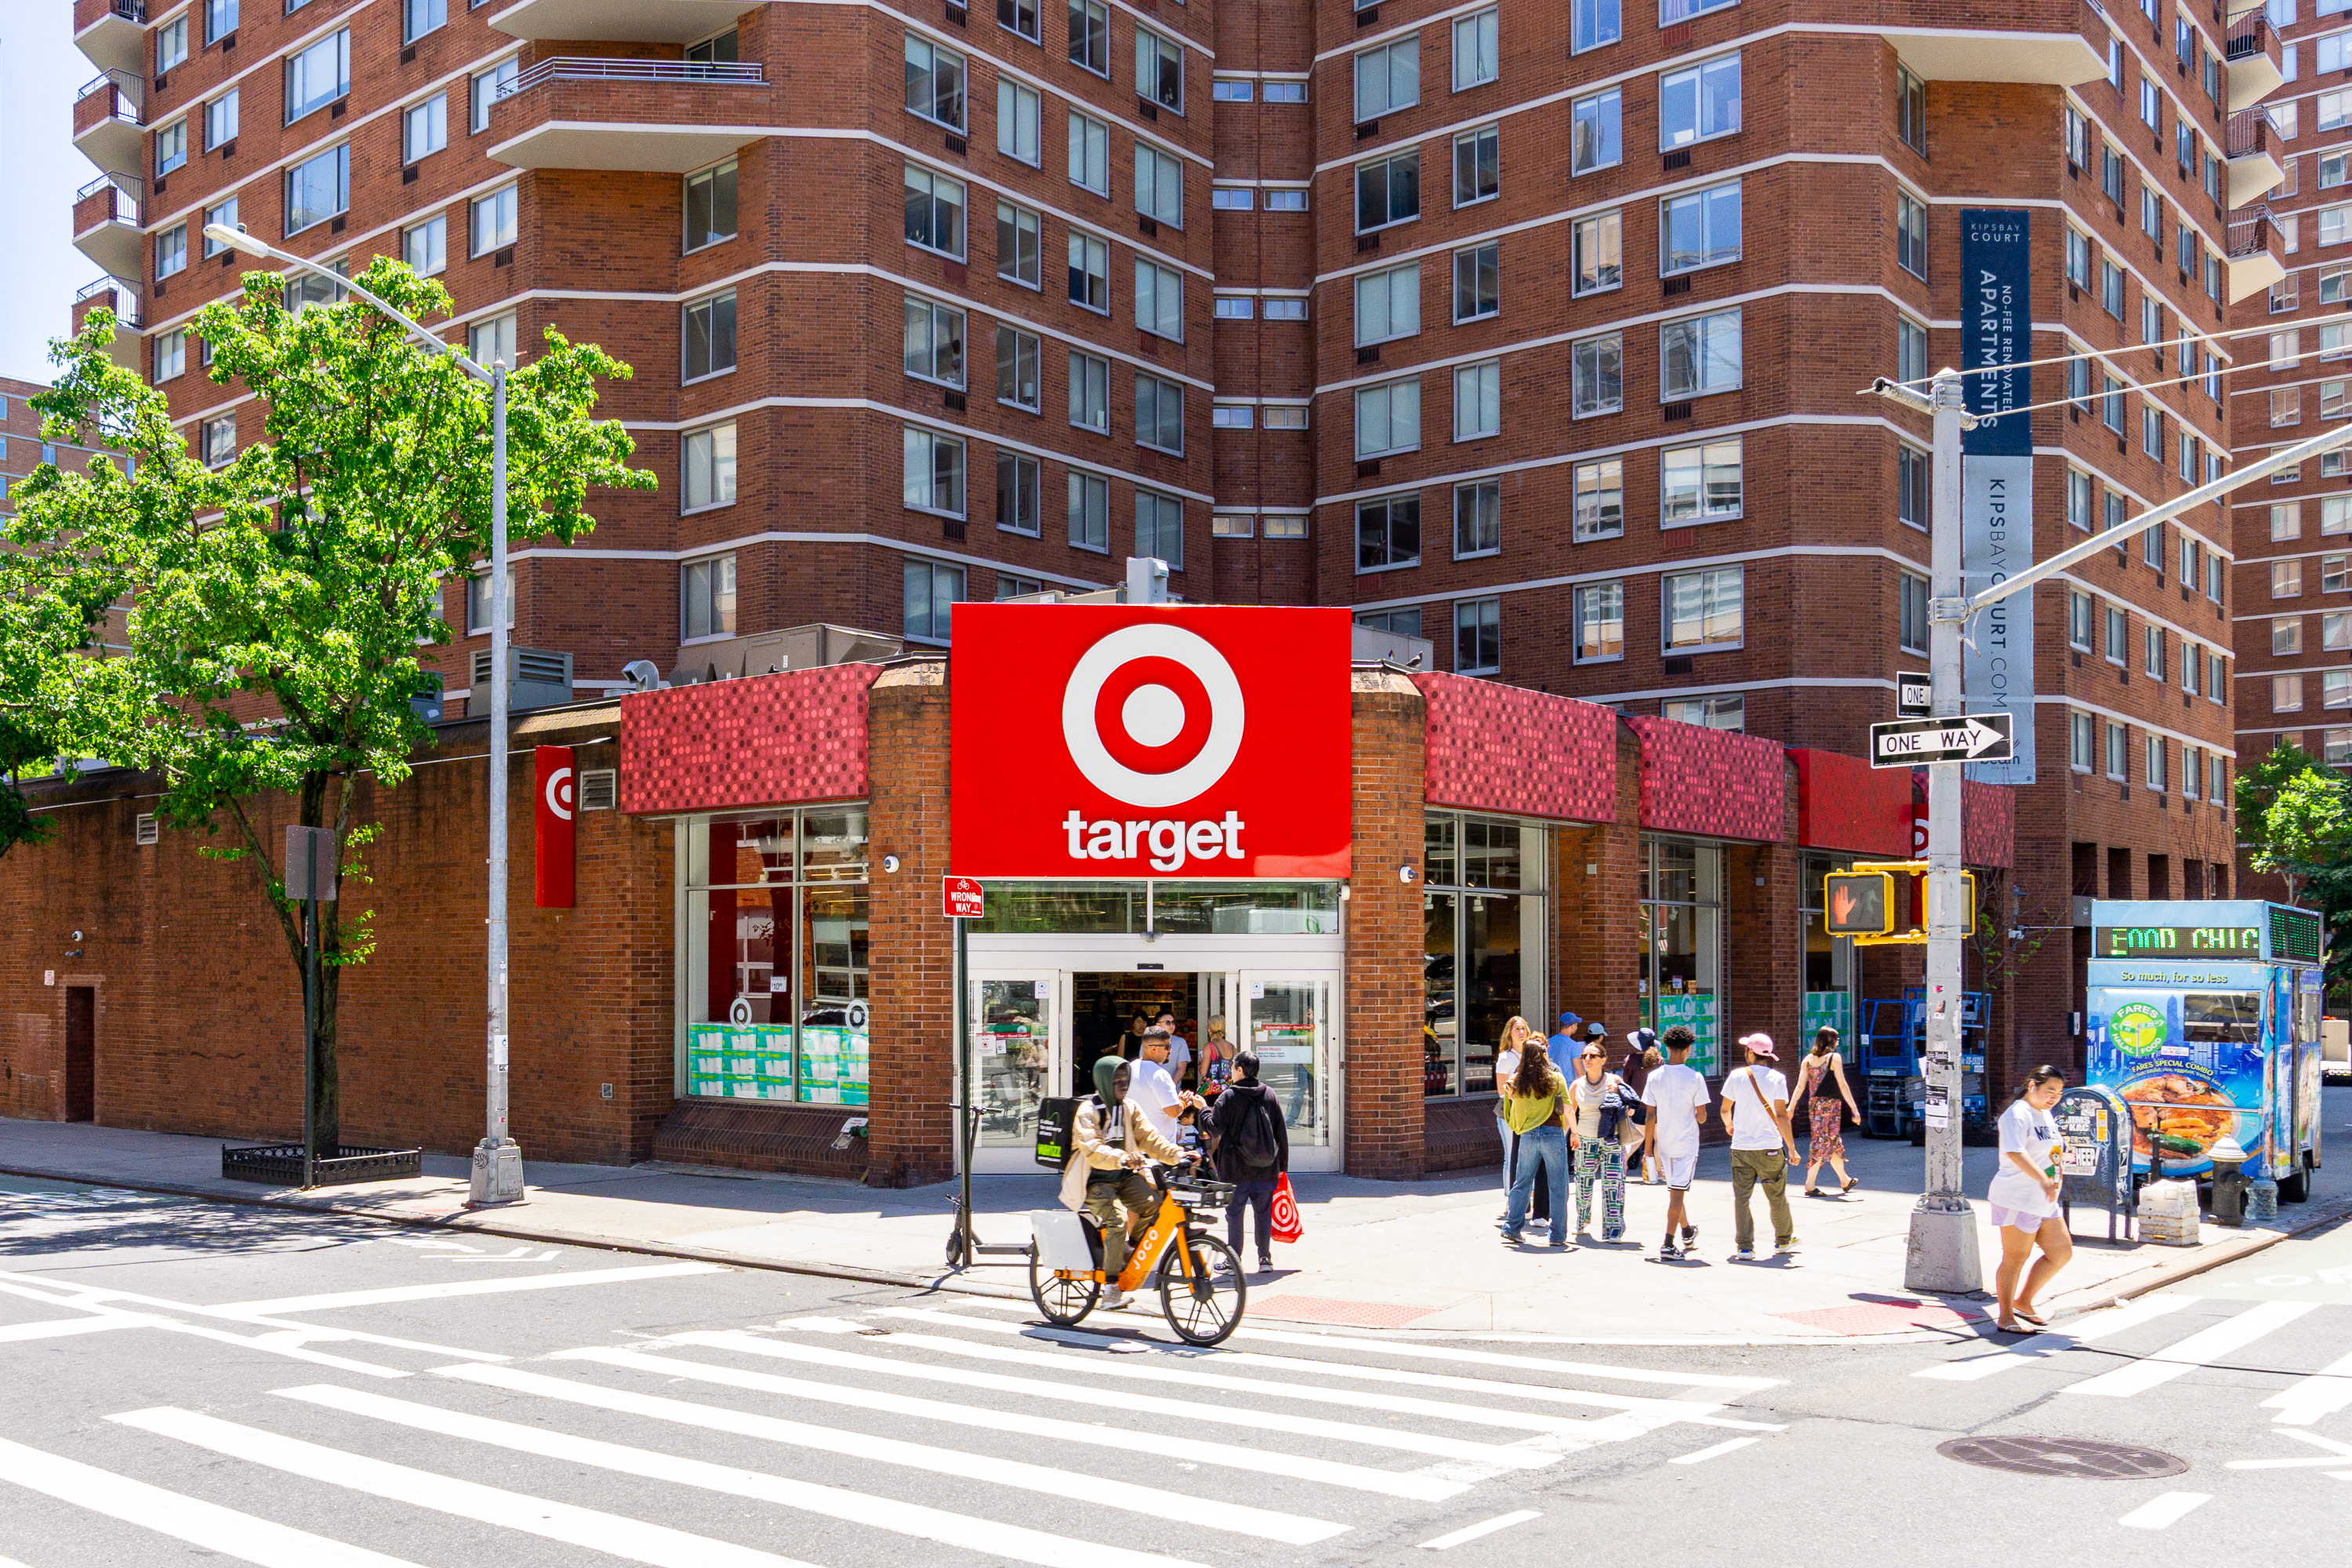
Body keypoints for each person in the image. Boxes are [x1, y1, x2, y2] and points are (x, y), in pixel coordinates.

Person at [1059, 1055, 1189, 1308]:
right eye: (1117, 1079)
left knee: (1153, 1205)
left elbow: (1150, 1139)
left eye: (1126, 1078)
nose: (1123, 1083)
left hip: (1125, 1176)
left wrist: (1178, 1154)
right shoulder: (1088, 1111)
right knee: (1117, 1221)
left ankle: (1127, 1248)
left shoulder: (1129, 1108)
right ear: (1105, 1081)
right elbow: (1092, 1148)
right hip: (1094, 1181)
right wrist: (1121, 1157)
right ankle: (1110, 1288)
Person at [1990, 1065, 2073, 1333]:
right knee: (2015, 1257)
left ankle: (2023, 1301)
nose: (2054, 1097)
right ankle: (2005, 1317)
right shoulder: (2017, 1114)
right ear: (2031, 1086)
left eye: (2059, 1092)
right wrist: (2043, 1179)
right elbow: (2015, 1152)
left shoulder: (2045, 1114)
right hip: (2018, 1196)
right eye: (2050, 1090)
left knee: (2061, 1253)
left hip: (2045, 1198)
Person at [1207, 1048, 1289, 1272]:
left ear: (1240, 1070)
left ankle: (1233, 1261)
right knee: (1263, 1213)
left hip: (1235, 1169)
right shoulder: (1270, 1094)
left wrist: (1203, 1110)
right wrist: (1282, 1165)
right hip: (1266, 1168)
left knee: (1234, 1214)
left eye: (1233, 1068)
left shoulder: (1229, 1096)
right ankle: (1265, 1259)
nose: (1231, 1072)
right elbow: (1281, 1132)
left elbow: (1214, 1128)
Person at [1721, 1033, 1800, 1261]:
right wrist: (1792, 1148)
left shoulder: (1736, 1076)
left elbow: (1726, 1109)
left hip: (1741, 1148)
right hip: (1770, 1147)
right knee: (1776, 1195)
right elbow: (1782, 1116)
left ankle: (1745, 1247)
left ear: (1750, 1053)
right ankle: (1783, 1240)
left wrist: (1730, 1125)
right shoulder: (1778, 1078)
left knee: (1742, 1198)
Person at [1640, 1026, 1711, 1258]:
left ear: (1667, 1048)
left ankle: (1687, 1231)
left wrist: (1648, 1149)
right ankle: (1668, 1244)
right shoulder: (1696, 1078)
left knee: (1674, 1193)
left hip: (1664, 1144)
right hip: (1687, 1143)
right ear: (1688, 1049)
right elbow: (1702, 1117)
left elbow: (1650, 1115)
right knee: (1677, 1194)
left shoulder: (1654, 1077)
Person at [1497, 1035, 1573, 1249]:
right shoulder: (1556, 1078)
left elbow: (1512, 1104)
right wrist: (1574, 1133)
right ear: (1540, 1055)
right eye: (1545, 1052)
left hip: (1528, 1135)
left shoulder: (1516, 1081)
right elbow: (1567, 1109)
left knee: (1521, 1183)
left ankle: (1512, 1228)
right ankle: (1557, 1235)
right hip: (1553, 1134)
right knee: (1558, 1186)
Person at [1565, 1041, 1633, 1243]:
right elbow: (1569, 1112)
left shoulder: (1615, 1080)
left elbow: (1630, 1109)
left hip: (1611, 1139)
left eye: (1593, 1056)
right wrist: (1570, 1134)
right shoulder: (1577, 1084)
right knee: (1583, 1183)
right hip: (1585, 1139)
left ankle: (1614, 1228)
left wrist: (1617, 1093)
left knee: (1613, 1183)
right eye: (1585, 1056)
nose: (1587, 1059)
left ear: (1603, 1060)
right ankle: (1582, 1219)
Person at [1795, 1026, 1862, 1196]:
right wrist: (1854, 1109)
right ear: (1830, 1041)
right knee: (1822, 1142)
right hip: (1831, 1107)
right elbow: (1842, 1085)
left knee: (1832, 1141)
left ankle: (1844, 1180)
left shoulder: (1807, 1060)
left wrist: (1792, 1105)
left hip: (1815, 1106)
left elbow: (1801, 1085)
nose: (1839, 1041)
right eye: (1837, 1038)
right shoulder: (1834, 1058)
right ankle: (1810, 1185)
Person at [1492, 1014, 1537, 1221]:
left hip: (1530, 1114)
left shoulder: (1532, 1056)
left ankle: (1529, 1198)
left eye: (1523, 1028)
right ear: (1509, 1034)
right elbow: (1501, 1091)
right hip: (1509, 1114)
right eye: (1516, 1029)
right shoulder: (1505, 1057)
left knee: (1529, 1157)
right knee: (1512, 1156)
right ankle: (1510, 1200)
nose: (1521, 1032)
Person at [1131, 1027, 1204, 1154]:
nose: (1170, 1050)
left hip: (1137, 1149)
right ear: (1153, 1049)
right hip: (1160, 1150)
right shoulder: (1160, 1075)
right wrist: (1183, 1102)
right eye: (1167, 1046)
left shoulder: (1129, 1068)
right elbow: (1174, 1112)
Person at [1623, 1029, 1662, 1184]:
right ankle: (1658, 1170)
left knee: (1637, 1138)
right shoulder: (1660, 1061)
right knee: (1658, 1140)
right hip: (1656, 1106)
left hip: (1637, 1106)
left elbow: (1626, 1082)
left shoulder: (1630, 1060)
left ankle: (1621, 1166)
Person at [1196, 1021, 1233, 1098]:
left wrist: (1200, 1064)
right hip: (1228, 1090)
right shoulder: (1233, 1048)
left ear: (1209, 1029)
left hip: (1212, 1092)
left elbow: (1203, 1072)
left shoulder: (1209, 1046)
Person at [1157, 1011, 1192, 1085]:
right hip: (1152, 1089)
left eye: (1173, 1022)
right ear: (1158, 1025)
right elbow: (1145, 1066)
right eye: (1168, 1023)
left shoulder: (1180, 1042)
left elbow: (1182, 1069)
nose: (1171, 1025)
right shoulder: (1149, 1042)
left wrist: (1170, 1087)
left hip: (1173, 1091)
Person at [1544, 1012, 1584, 1076]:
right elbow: (1579, 1072)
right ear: (1572, 1026)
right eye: (1576, 1025)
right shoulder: (1573, 1045)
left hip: (1550, 1082)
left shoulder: (1549, 1041)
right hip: (1566, 1084)